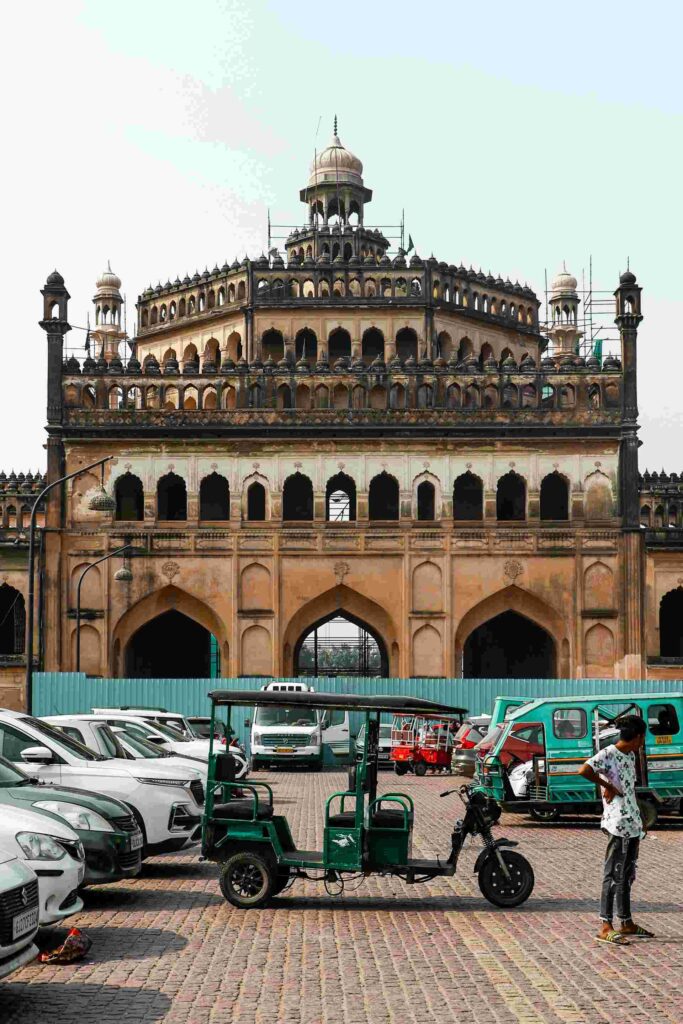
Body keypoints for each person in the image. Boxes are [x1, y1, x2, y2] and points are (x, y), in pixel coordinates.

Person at [579, 715, 655, 946]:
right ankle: (605, 925)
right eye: (643, 738)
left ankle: (626, 921)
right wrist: (607, 785)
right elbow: (584, 770)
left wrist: (639, 819)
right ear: (639, 736)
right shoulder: (609, 753)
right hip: (617, 824)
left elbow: (629, 790)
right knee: (612, 874)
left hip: (632, 823)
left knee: (628, 874)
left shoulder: (630, 755)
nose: (643, 742)